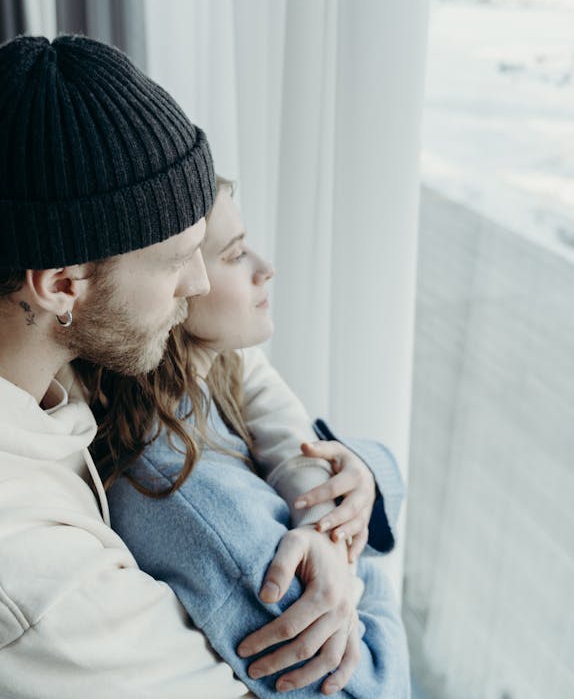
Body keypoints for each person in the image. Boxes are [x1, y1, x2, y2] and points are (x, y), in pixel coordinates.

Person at [0, 35, 373, 698]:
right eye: (176, 258)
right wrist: (354, 576)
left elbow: (235, 362)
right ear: (60, 284)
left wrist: (319, 502)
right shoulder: (21, 585)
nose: (197, 285)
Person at [77, 178, 410, 697]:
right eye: (234, 255)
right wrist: (360, 569)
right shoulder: (186, 488)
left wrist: (358, 479)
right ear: (177, 285)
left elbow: (320, 444)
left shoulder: (213, 381)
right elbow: (374, 686)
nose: (265, 266)